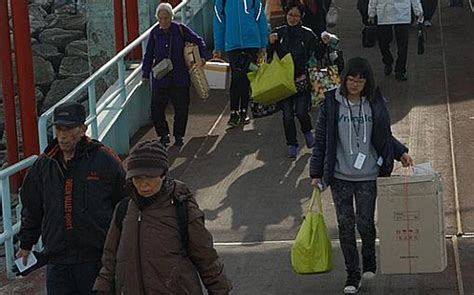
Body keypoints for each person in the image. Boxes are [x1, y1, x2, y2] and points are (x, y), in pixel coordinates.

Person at [309, 57, 413, 294]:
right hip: (339, 177)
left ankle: (369, 258)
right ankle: (352, 275)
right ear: (344, 79)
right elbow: (321, 140)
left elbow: (384, 135)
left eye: (360, 80)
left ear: (367, 82)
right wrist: (316, 173)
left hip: (368, 176)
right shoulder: (331, 103)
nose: (355, 84)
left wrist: (401, 152)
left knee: (365, 223)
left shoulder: (374, 103)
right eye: (351, 79)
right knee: (345, 225)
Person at [93, 140, 233, 294]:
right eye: (137, 178)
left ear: (163, 174)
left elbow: (205, 256)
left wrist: (220, 289)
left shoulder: (182, 208)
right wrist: (101, 288)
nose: (143, 185)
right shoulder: (124, 210)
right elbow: (110, 259)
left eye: (150, 178)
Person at [16, 101, 126, 295]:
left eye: (69, 128)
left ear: (83, 129)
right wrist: (26, 244)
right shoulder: (44, 164)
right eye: (59, 128)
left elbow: (124, 204)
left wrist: (122, 248)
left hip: (96, 258)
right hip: (57, 260)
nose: (63, 135)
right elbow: (32, 207)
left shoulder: (105, 159)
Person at [268, 1, 330, 158]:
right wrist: (271, 44)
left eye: (296, 15)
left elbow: (318, 54)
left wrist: (324, 43)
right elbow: (270, 58)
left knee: (302, 112)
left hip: (302, 80)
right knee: (287, 115)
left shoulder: (307, 34)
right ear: (286, 15)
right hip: (283, 82)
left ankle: (307, 131)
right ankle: (292, 144)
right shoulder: (279, 33)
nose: (293, 18)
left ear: (302, 17)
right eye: (290, 15)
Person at [142, 3, 206, 147]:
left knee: (181, 108)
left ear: (171, 17)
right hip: (161, 78)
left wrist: (201, 57)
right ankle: (164, 135)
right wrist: (145, 74)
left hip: (179, 77)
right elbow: (148, 55)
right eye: (160, 19)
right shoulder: (154, 33)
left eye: (166, 18)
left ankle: (179, 135)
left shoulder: (180, 30)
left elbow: (199, 41)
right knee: (156, 109)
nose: (163, 22)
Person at [213, 0, 269, 128]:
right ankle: (234, 111)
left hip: (252, 44)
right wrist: (218, 46)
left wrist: (263, 44)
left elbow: (260, 17)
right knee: (237, 77)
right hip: (232, 45)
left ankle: (243, 111)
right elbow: (219, 20)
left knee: (247, 78)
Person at [368, 0, 423, 81]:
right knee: (383, 42)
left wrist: (419, 12)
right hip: (385, 13)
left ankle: (400, 70)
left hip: (401, 14)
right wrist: (371, 13)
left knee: (402, 45)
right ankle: (388, 60)